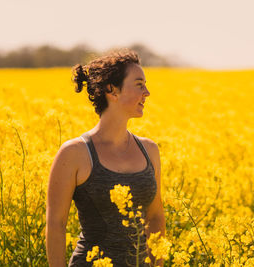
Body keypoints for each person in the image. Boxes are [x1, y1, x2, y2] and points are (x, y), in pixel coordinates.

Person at [45, 48, 166, 267]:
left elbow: (156, 216)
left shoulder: (150, 150)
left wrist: (156, 264)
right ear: (113, 90)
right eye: (139, 84)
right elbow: (56, 224)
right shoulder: (74, 153)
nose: (147, 92)